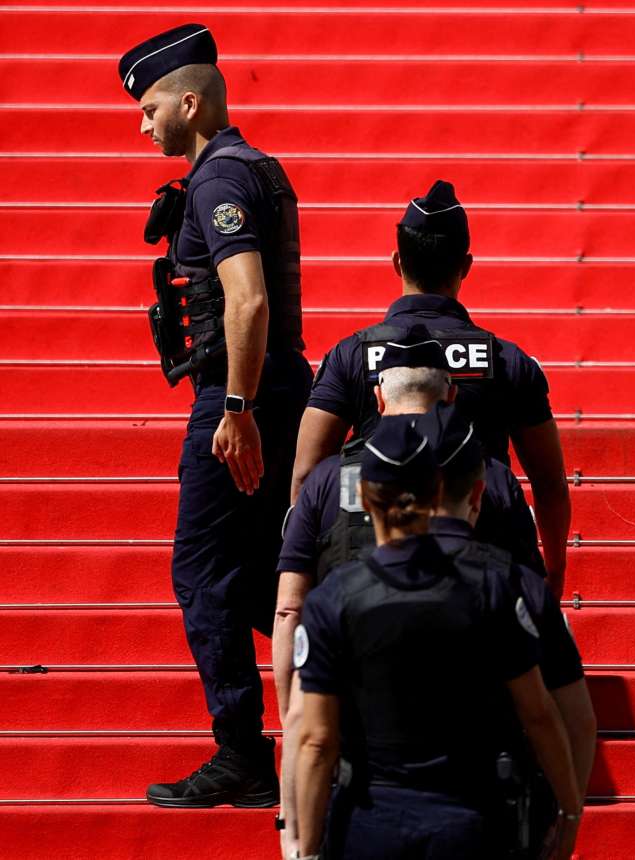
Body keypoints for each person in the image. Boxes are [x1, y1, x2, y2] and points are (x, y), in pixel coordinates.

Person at [274, 342, 594, 855]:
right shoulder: (500, 583)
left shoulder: (335, 590)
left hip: (369, 816)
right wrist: (569, 810)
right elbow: (546, 710)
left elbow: (311, 734)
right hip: (476, 814)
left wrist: (300, 838)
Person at [119, 23, 312, 807]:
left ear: (190, 103)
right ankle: (360, 699)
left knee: (201, 572)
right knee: (267, 573)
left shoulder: (218, 180)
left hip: (242, 396)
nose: (144, 125)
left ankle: (242, 754)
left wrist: (235, 406)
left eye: (150, 108)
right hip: (277, 388)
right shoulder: (255, 168)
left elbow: (249, 299)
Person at [292, 179, 572, 596]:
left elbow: (306, 474)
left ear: (396, 261)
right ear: (466, 265)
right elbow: (549, 484)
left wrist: (303, 572)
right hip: (478, 576)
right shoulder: (507, 361)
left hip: (368, 572)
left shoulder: (349, 355)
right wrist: (554, 569)